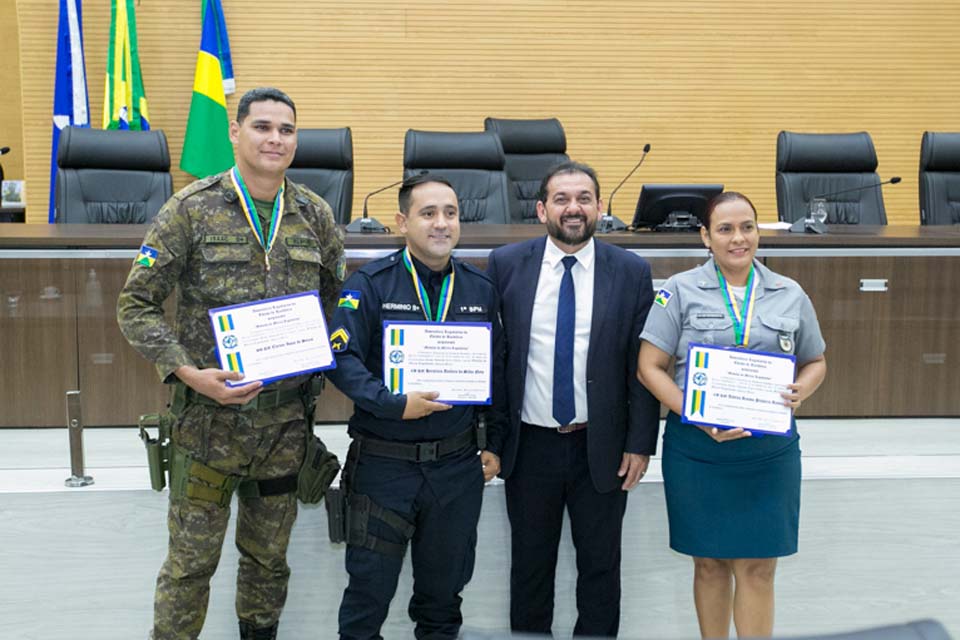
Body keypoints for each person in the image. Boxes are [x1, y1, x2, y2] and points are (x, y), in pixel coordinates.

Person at [117, 87, 345, 640]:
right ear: (236, 132)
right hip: (208, 427)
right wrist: (186, 372)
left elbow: (337, 307)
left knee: (268, 564)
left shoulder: (315, 214)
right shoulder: (191, 209)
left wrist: (325, 349)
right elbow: (135, 304)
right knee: (190, 567)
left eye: (286, 130)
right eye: (262, 126)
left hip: (284, 428)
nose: (275, 139)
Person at [637, 191, 827, 639]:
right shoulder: (677, 290)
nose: (738, 238)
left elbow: (816, 361)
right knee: (709, 564)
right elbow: (649, 367)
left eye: (747, 227)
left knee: (759, 567)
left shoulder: (789, 293)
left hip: (768, 452)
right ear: (706, 237)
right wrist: (695, 412)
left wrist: (803, 388)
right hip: (698, 450)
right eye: (725, 229)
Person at [326, 173, 506, 640]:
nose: (441, 223)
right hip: (384, 466)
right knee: (367, 599)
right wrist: (391, 404)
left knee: (443, 602)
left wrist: (494, 443)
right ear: (402, 222)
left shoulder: (480, 289)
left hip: (456, 469)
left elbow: (497, 372)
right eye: (428, 213)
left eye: (450, 213)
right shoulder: (369, 284)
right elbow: (340, 359)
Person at [486, 161, 660, 637]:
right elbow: (496, 360)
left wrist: (640, 442)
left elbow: (642, 364)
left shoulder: (631, 271)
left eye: (584, 198)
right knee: (530, 569)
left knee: (601, 570)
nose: (573, 208)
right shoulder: (506, 264)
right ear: (542, 209)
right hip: (530, 446)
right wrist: (491, 440)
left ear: (599, 207)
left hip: (600, 446)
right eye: (561, 199)